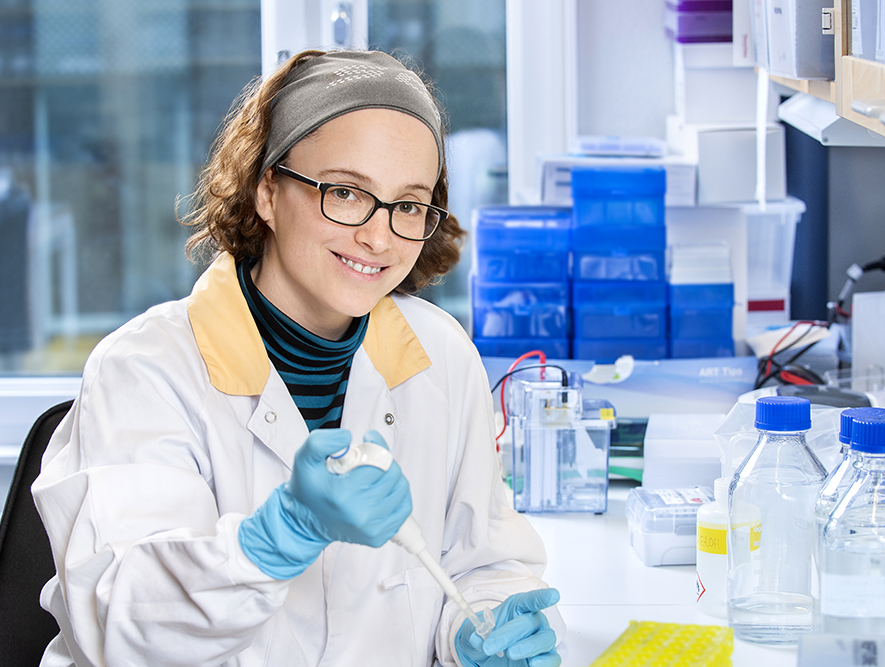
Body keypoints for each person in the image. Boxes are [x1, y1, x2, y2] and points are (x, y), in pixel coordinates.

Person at [31, 49, 563, 667]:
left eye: (409, 204)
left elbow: (486, 561)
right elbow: (120, 621)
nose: (379, 235)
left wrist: (485, 626)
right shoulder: (145, 368)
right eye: (344, 192)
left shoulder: (439, 353)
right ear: (266, 190)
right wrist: (275, 540)